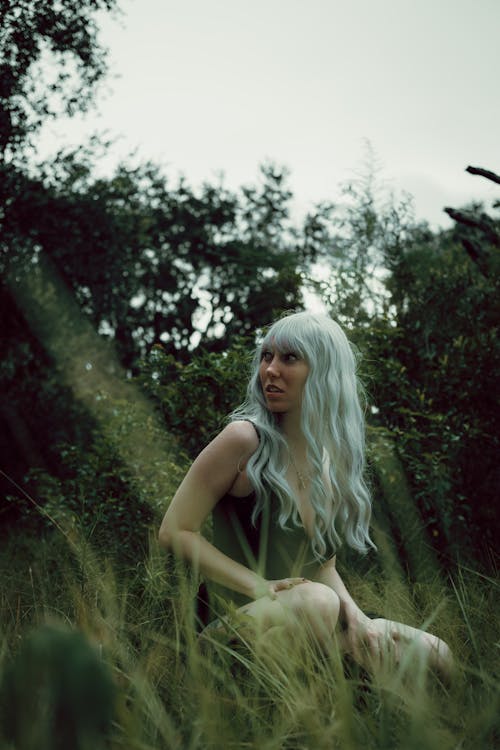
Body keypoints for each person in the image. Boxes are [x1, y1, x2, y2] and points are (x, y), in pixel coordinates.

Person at [159, 311, 452, 676]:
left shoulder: (328, 461)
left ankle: (345, 695)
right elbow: (175, 530)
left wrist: (358, 619)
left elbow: (322, 564)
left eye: (290, 358)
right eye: (267, 356)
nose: (270, 370)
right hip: (230, 617)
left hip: (313, 615)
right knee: (317, 602)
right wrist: (260, 587)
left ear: (325, 371)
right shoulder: (244, 440)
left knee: (435, 652)